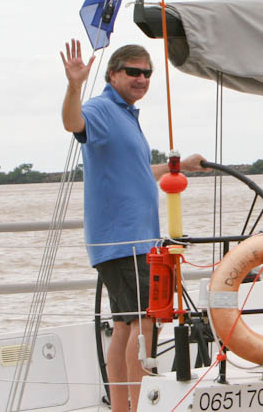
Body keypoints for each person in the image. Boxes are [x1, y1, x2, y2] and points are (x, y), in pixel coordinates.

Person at [61, 40, 204, 412]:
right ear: (113, 75)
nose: (142, 79)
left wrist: (178, 167)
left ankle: (122, 408)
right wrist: (74, 86)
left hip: (131, 242)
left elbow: (137, 171)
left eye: (147, 73)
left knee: (125, 324)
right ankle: (140, 406)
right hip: (124, 242)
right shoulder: (102, 109)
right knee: (145, 322)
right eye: (133, 72)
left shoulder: (125, 115)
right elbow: (73, 124)